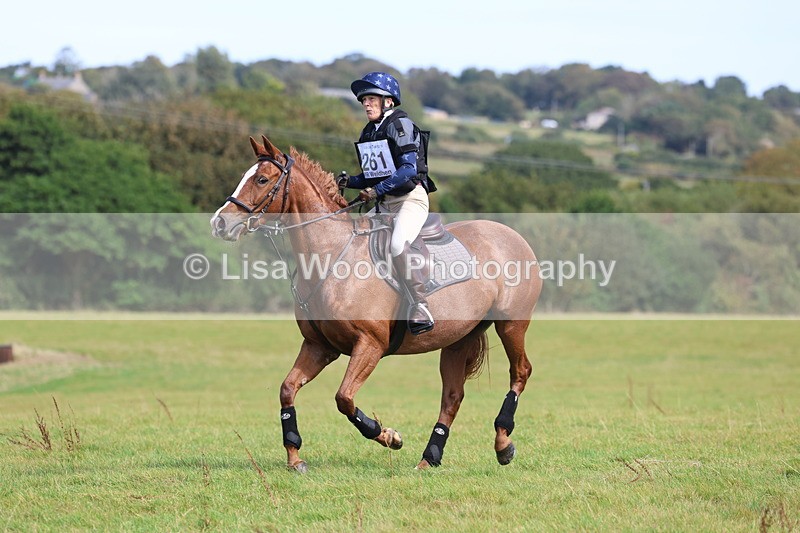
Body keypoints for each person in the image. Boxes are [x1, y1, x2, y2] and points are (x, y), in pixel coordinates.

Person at [342, 72, 436, 335]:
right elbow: (373, 176)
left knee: (397, 244)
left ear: (388, 101)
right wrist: (349, 181)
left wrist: (375, 190)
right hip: (385, 202)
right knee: (353, 238)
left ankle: (421, 305)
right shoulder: (370, 131)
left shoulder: (401, 125)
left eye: (371, 99)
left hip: (410, 200)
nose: (366, 104)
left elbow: (407, 171)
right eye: (364, 101)